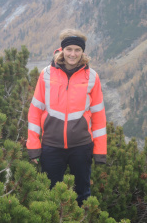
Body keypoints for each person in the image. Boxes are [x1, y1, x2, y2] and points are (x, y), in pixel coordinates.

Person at [26, 29, 107, 206]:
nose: (73, 54)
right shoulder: (46, 74)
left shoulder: (92, 77)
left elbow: (99, 116)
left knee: (82, 194)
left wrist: (100, 150)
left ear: (82, 52)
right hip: (51, 146)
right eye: (69, 49)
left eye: (77, 50)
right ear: (62, 50)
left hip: (81, 147)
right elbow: (35, 112)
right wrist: (33, 145)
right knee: (50, 194)